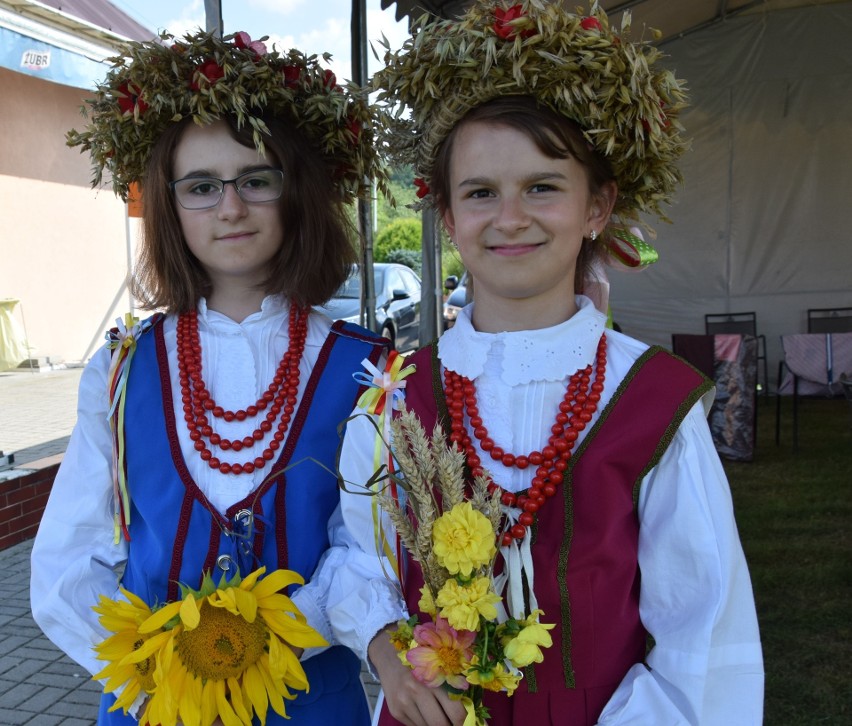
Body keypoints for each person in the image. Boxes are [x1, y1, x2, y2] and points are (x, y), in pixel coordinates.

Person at [327, 2, 764, 725]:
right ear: (447, 219)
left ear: (598, 206)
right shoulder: (394, 396)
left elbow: (704, 631)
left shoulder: (649, 401)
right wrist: (383, 649)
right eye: (480, 193)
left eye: (542, 186)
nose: (509, 217)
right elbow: (356, 551)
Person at [30, 29, 389, 725]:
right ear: (169, 205)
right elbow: (69, 562)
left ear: (298, 193)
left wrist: (263, 643)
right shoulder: (123, 367)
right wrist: (156, 676)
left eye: (257, 179)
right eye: (201, 186)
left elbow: (369, 552)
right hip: (154, 705)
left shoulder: (365, 367)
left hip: (310, 706)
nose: (230, 207)